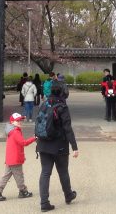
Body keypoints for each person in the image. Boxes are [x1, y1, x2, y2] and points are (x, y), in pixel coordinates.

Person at [36, 81, 79, 212]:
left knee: (45, 173)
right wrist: (74, 147)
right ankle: (68, 195)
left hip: (43, 144)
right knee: (63, 171)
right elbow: (67, 129)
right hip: (59, 145)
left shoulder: (44, 104)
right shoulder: (62, 107)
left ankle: (44, 203)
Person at [0, 112, 37, 202]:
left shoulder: (11, 130)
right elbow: (23, 143)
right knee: (19, 176)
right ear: (12, 122)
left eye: (20, 120)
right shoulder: (15, 132)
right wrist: (34, 138)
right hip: (15, 158)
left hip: (10, 158)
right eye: (17, 121)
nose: (20, 122)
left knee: (6, 176)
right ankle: (23, 191)